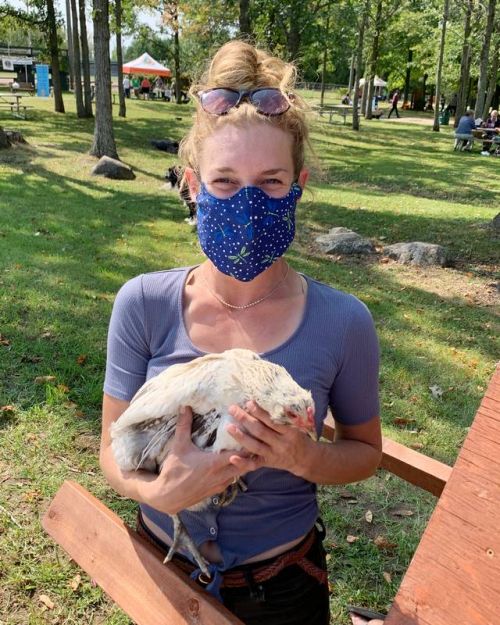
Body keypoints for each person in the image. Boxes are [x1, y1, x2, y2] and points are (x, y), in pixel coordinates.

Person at [100, 40, 382, 625]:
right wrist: (157, 494)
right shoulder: (143, 304)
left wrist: (305, 457)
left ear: (299, 183)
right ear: (193, 183)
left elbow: (365, 453)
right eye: (226, 182)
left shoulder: (344, 322)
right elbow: (111, 452)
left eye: (272, 182)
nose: (249, 202)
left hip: (282, 590)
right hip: (159, 571)